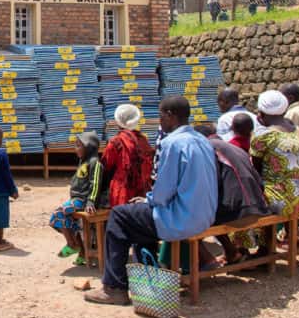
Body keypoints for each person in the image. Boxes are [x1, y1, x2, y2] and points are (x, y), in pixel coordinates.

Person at [85, 96, 217, 306]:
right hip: (205, 215)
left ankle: (114, 287)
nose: (160, 121)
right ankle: (147, 277)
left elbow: (163, 193)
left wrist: (148, 199)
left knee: (119, 216)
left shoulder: (172, 143)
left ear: (170, 115)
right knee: (138, 217)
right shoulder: (202, 140)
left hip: (182, 218)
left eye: (161, 116)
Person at [251, 90, 299, 235]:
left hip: (280, 201)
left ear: (261, 114)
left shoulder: (263, 137)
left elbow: (255, 170)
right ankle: (290, 237)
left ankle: (265, 248)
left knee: (252, 199)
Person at [208, 134, 268, 265]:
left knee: (207, 215)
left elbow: (213, 183)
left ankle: (232, 252)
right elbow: (259, 180)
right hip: (259, 207)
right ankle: (258, 249)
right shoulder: (238, 150)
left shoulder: (210, 150)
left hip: (238, 211)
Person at [49, 131, 107, 266]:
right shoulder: (83, 162)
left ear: (89, 147)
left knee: (59, 213)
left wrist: (91, 201)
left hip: (84, 200)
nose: (76, 149)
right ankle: (82, 252)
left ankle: (72, 244)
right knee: (71, 223)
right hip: (77, 199)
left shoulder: (95, 163)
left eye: (78, 145)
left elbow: (96, 184)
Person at [100, 104, 154, 207]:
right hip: (143, 191)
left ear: (118, 122)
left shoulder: (116, 142)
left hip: (122, 192)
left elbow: (105, 166)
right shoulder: (143, 140)